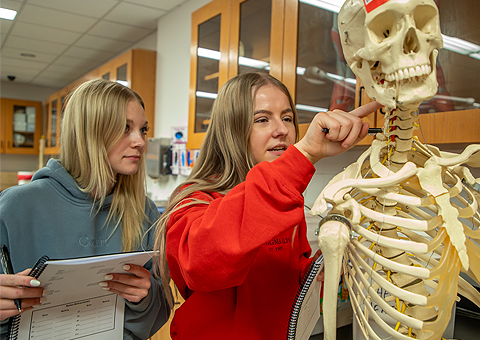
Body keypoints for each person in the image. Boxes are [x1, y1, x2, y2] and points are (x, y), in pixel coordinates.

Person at [153, 72, 382, 339]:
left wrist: (320, 269)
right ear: (231, 130)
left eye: (287, 118)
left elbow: (286, 276)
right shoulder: (195, 200)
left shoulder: (281, 198)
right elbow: (202, 265)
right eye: (262, 119)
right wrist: (305, 154)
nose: (282, 130)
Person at [0, 79, 171, 339]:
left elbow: (159, 313)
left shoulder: (144, 211)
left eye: (142, 130)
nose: (139, 142)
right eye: (124, 129)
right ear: (88, 132)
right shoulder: (15, 207)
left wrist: (144, 298)